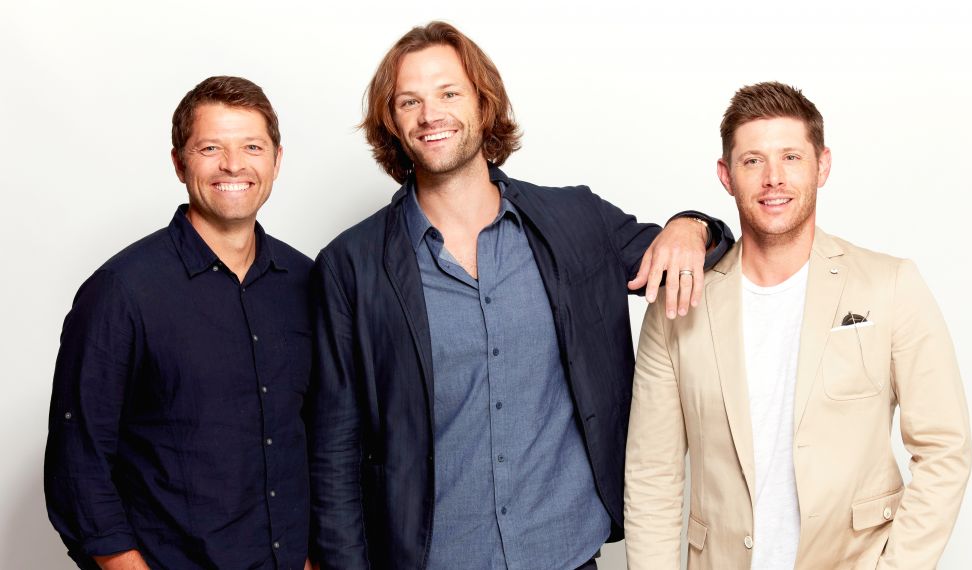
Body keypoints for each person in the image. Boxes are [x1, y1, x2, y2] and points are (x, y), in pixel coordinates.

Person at [308, 21, 733, 570]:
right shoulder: (351, 264)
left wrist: (693, 223)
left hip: (567, 551)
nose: (429, 114)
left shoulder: (575, 221)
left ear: (484, 105)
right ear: (391, 121)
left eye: (448, 93)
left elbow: (703, 253)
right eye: (408, 100)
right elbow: (334, 449)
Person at [623, 81, 972, 569]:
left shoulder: (890, 285)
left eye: (791, 157)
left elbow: (944, 449)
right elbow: (652, 475)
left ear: (822, 165)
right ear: (726, 175)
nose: (773, 178)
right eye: (752, 161)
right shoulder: (679, 301)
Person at [45, 76, 313, 570]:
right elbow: (77, 461)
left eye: (252, 146)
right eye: (210, 147)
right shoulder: (120, 291)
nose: (234, 164)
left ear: (276, 160)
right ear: (178, 162)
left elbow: (324, 436)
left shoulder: (307, 283)